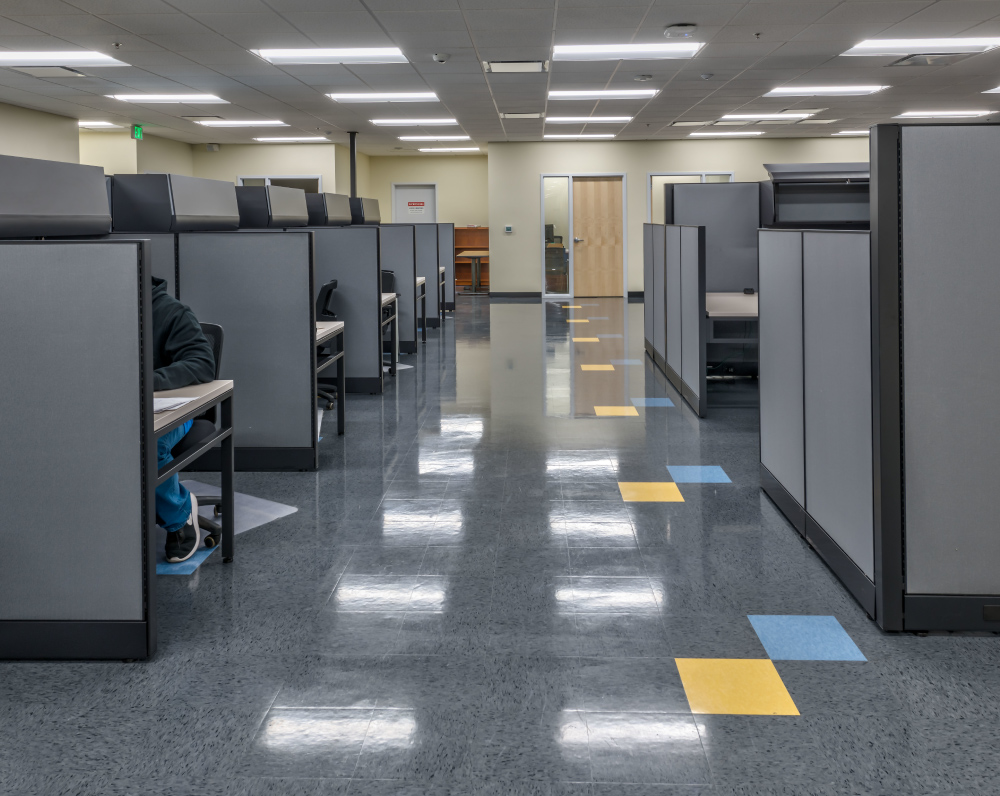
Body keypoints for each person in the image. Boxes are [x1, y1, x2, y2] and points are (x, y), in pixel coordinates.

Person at [152, 276, 215, 563]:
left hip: (172, 409)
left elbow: (202, 362)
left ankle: (179, 517)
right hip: (107, 405)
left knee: (146, 445)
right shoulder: (95, 309)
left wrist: (149, 380)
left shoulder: (169, 311)